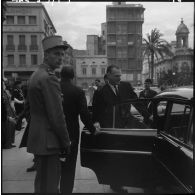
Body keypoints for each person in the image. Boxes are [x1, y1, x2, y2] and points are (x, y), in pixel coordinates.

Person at [92, 65, 152, 193]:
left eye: (120, 75)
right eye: (116, 76)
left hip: (127, 127)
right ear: (108, 75)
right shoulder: (100, 91)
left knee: (130, 154)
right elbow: (96, 111)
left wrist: (148, 115)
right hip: (112, 130)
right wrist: (96, 122)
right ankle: (116, 184)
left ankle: (136, 179)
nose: (120, 78)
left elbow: (136, 102)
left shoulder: (126, 86)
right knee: (115, 157)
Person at [27, 35, 71, 193]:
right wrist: (66, 141)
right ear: (46, 54)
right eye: (56, 54)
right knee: (50, 186)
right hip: (49, 141)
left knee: (42, 184)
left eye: (62, 54)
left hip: (39, 138)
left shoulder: (37, 74)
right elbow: (57, 117)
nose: (60, 58)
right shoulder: (49, 79)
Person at [60, 66, 99, 194]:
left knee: (54, 164)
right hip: (71, 133)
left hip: (52, 132)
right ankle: (66, 191)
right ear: (73, 76)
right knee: (69, 165)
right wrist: (93, 129)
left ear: (61, 75)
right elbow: (84, 114)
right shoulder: (77, 91)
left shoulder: (53, 89)